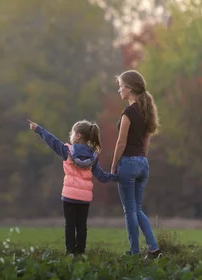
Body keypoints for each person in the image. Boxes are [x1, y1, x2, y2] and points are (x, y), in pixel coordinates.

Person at [28, 119, 117, 255]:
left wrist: (38, 129)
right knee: (81, 226)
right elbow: (101, 176)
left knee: (70, 225)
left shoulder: (66, 151)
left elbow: (51, 140)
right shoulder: (93, 156)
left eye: (72, 132)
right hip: (85, 198)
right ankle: (80, 252)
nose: (71, 134)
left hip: (69, 196)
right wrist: (117, 176)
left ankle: (70, 252)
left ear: (78, 135)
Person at [110, 70, 162, 259]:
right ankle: (154, 249)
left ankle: (134, 252)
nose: (119, 90)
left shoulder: (129, 112)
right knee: (137, 209)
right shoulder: (146, 111)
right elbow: (146, 141)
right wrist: (141, 160)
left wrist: (114, 165)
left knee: (129, 210)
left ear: (129, 88)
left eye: (121, 86)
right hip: (143, 164)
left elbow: (121, 142)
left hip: (128, 163)